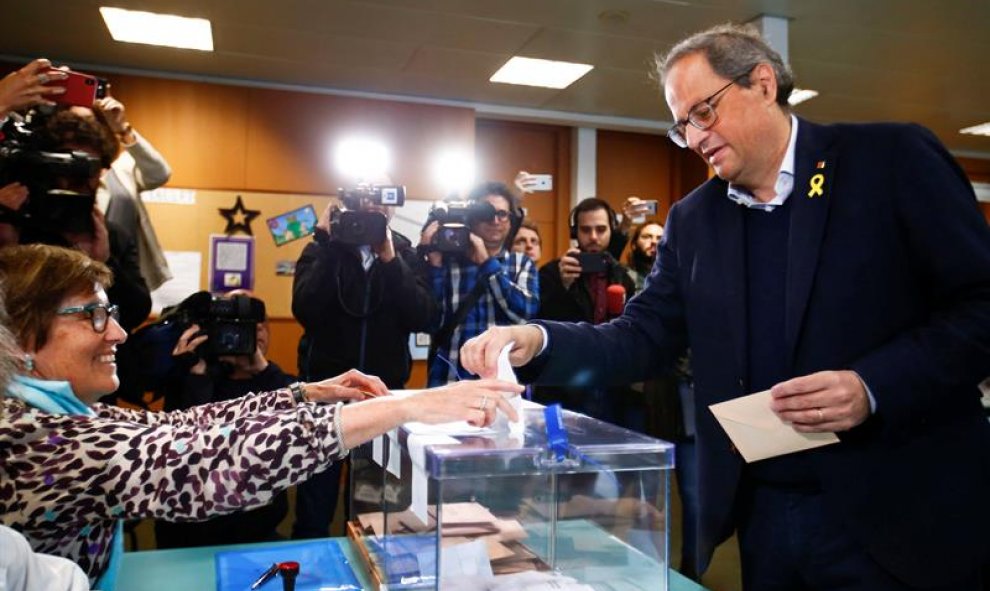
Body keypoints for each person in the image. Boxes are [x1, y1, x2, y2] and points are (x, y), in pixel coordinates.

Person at [461, 23, 990, 591]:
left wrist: (871, 385)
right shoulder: (695, 220)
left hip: (905, 510)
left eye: (703, 113)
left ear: (763, 84)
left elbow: (980, 304)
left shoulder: (888, 159)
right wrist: (540, 340)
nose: (693, 138)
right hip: (768, 516)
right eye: (681, 125)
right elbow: (643, 336)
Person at [0, 244, 522, 590]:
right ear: (21, 336)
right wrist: (403, 406)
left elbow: (173, 429)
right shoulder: (32, 439)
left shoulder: (45, 414)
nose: (115, 334)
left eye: (111, 315)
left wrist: (305, 395)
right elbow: (204, 466)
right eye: (94, 316)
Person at [291, 192, 436, 538]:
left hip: (381, 396)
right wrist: (327, 242)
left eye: (380, 198)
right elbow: (306, 309)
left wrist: (389, 261)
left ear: (391, 207)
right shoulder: (321, 249)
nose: (372, 206)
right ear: (347, 204)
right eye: (364, 198)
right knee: (315, 501)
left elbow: (423, 316)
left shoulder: (405, 254)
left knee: (371, 504)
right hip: (325, 396)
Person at [153, 291, 296, 548]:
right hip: (192, 533)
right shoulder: (191, 378)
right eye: (232, 328)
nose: (252, 333)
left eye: (259, 325)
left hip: (257, 530)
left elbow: (297, 420)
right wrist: (196, 374)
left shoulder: (277, 383)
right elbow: (186, 440)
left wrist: (261, 370)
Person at [420, 181, 538, 386]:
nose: (495, 220)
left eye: (502, 214)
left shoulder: (521, 263)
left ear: (510, 221)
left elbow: (524, 315)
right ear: (472, 217)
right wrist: (434, 266)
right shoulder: (449, 263)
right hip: (450, 380)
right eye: (486, 212)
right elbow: (431, 323)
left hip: (502, 384)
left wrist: (487, 264)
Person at [534, 197, 637, 425]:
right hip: (564, 383)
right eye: (585, 230)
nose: (593, 237)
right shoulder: (552, 272)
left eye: (601, 229)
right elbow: (540, 323)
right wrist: (564, 287)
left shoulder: (622, 276)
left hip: (611, 382)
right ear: (575, 232)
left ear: (611, 230)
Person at [88, 96, 173, 291]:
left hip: (124, 273)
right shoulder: (59, 170)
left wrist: (122, 128)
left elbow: (160, 173)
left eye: (94, 122)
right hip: (82, 269)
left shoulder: (121, 167)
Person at [623, 222, 663, 292]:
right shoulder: (622, 274)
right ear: (634, 245)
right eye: (647, 237)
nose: (654, 241)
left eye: (660, 238)